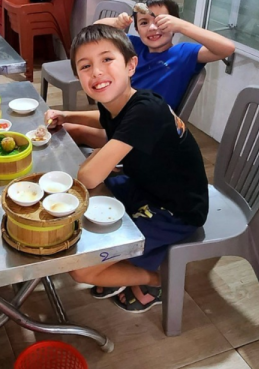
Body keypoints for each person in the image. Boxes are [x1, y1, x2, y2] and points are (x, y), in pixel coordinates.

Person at [59, 25, 209, 313]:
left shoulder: (146, 110)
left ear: (131, 65)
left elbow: (89, 176)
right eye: (85, 66)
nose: (97, 72)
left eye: (106, 60)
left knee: (81, 270)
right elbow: (112, 130)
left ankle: (156, 278)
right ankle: (121, 265)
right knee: (76, 215)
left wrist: (88, 159)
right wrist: (70, 119)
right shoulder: (116, 101)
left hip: (177, 210)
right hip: (144, 185)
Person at [51, 0, 235, 148]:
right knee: (65, 129)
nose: (152, 28)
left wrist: (184, 27)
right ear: (137, 29)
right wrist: (116, 24)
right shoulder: (134, 45)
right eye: (144, 23)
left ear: (173, 23)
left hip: (146, 130)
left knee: (73, 131)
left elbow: (226, 48)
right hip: (120, 116)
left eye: (161, 21)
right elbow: (93, 30)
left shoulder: (184, 53)